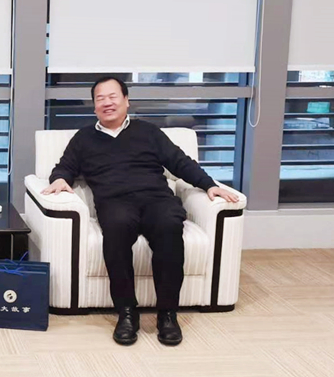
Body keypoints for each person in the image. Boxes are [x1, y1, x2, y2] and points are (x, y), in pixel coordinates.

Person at [42, 76, 238, 346]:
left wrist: (209, 185)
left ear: (126, 101)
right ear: (94, 106)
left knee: (169, 226)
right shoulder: (84, 138)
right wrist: (59, 179)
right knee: (116, 229)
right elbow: (64, 167)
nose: (107, 103)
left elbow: (180, 162)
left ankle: (167, 314)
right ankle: (126, 312)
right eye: (100, 98)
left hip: (156, 198)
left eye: (113, 96)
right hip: (115, 202)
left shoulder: (148, 132)